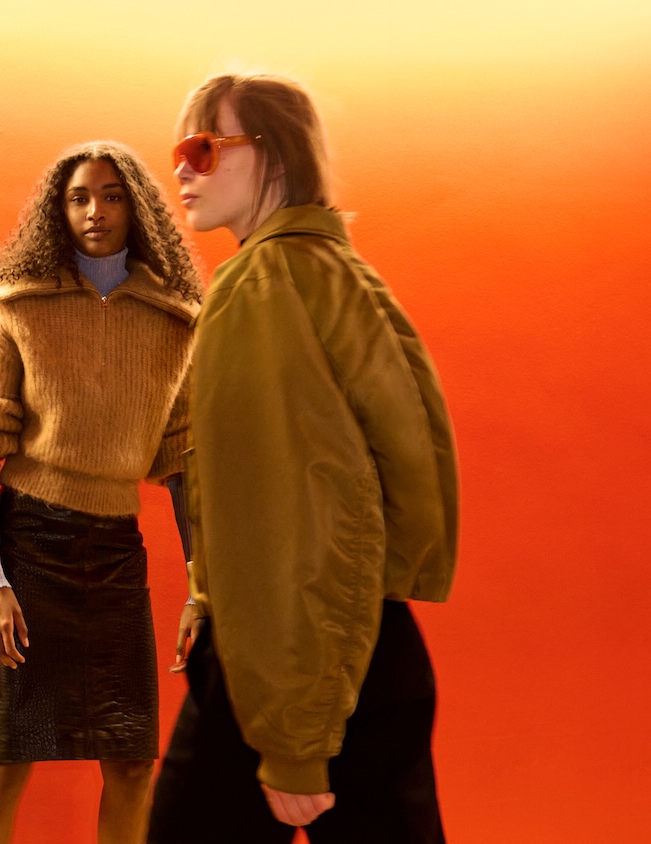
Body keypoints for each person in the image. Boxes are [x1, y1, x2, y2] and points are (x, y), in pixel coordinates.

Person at [147, 73, 460, 844]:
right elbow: (408, 494)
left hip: (288, 666)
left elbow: (293, 519)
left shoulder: (259, 286)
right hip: (359, 646)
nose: (181, 168)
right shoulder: (340, 274)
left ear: (276, 157)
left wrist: (293, 738)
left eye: (203, 147)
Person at [0, 141, 202, 844]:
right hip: (29, 549)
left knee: (131, 762)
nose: (96, 211)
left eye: (112, 195)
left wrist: (201, 586)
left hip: (117, 557)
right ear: (56, 211)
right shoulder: (15, 309)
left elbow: (183, 465)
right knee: (7, 758)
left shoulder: (174, 320)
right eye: (79, 197)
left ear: (138, 209)